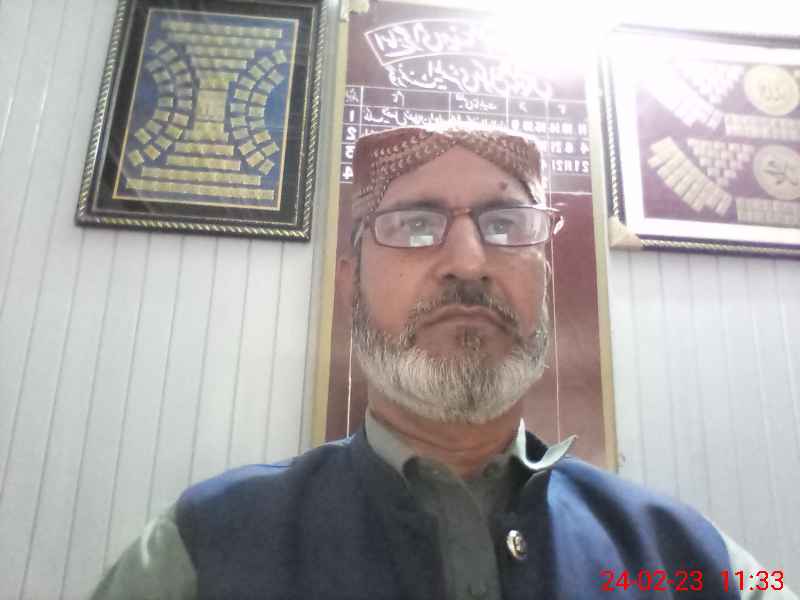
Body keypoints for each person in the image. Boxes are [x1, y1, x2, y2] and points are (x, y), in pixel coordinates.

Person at [91, 123, 795, 599]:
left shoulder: (692, 560)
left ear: (544, 279)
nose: (468, 261)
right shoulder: (201, 548)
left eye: (506, 225)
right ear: (350, 285)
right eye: (414, 224)